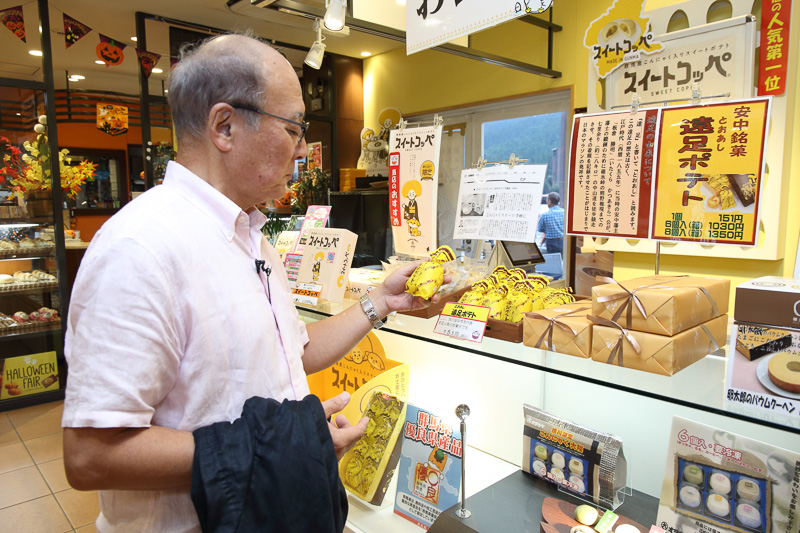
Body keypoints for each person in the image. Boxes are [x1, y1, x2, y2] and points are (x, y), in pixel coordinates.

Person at [61, 33, 436, 532]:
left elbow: (289, 351)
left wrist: (380, 302)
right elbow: (90, 455)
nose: (303, 150)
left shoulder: (250, 235)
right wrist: (285, 448)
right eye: (294, 128)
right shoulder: (139, 248)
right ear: (225, 126)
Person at [537, 191, 565, 256]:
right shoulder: (565, 212)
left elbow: (539, 229)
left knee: (554, 260)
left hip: (551, 243)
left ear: (549, 201)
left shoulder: (545, 215)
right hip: (564, 241)